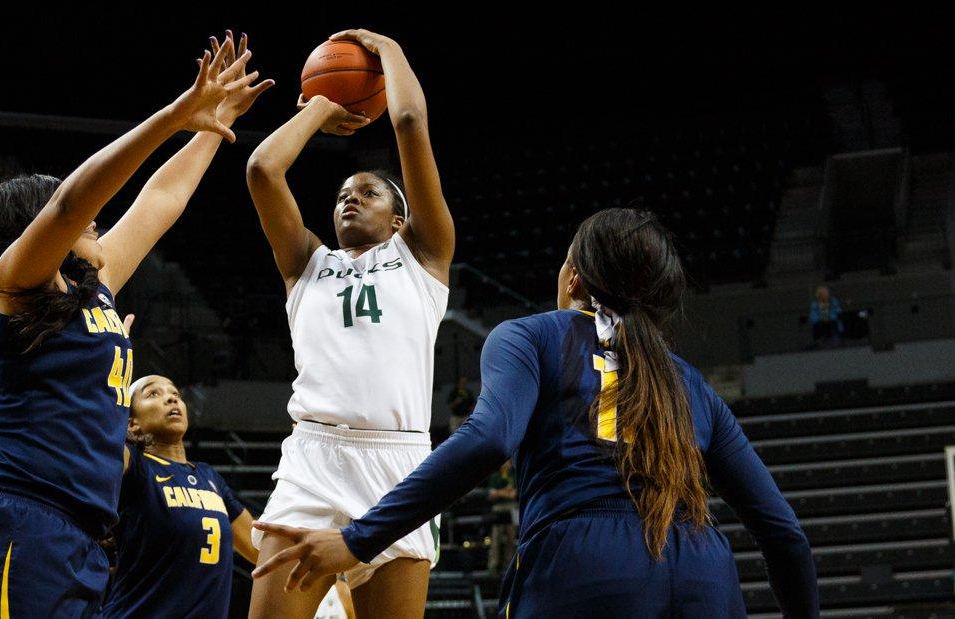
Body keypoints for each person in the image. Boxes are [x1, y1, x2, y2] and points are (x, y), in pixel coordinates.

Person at [252, 209, 820, 617]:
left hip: (583, 560)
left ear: (573, 276)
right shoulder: (689, 379)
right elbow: (785, 534)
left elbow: (489, 439)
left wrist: (358, 538)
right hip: (704, 569)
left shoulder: (532, 336)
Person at [0, 33, 272, 616]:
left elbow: (161, 198)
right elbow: (70, 204)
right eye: (87, 216)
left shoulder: (95, 287)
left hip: (83, 538)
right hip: (17, 524)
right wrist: (172, 116)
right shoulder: (12, 285)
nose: (97, 221)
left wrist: (209, 128)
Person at [244, 28, 455, 618]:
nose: (350, 199)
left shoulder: (424, 256)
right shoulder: (306, 264)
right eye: (342, 193)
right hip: (314, 456)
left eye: (367, 192)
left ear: (399, 220)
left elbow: (410, 123)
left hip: (401, 465)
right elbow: (263, 170)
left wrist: (389, 50)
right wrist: (319, 108)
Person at [102, 372, 257, 618]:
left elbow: (258, 549)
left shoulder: (210, 477)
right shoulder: (136, 466)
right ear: (132, 423)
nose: (171, 399)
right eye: (153, 393)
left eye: (175, 394)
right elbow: (95, 446)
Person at [485, 460, 517, 574]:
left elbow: (514, 494)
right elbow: (490, 494)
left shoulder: (514, 475)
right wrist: (504, 492)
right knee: (495, 539)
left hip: (511, 509)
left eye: (507, 462)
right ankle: (493, 566)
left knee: (511, 539)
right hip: (497, 509)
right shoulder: (495, 476)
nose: (505, 465)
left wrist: (499, 493)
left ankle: (509, 566)